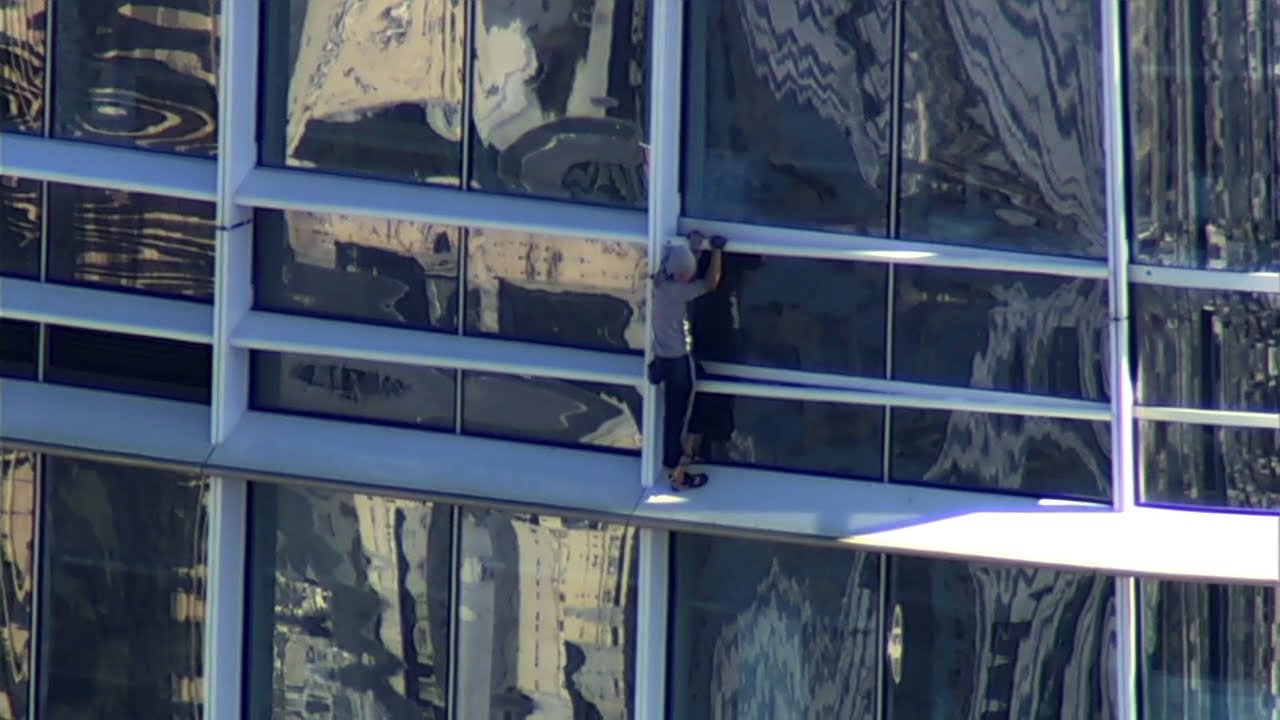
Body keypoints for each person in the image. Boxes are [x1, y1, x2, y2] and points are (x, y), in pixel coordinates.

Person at [649, 230, 726, 490]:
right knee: (680, 419)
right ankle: (677, 474)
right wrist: (716, 251)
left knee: (673, 416)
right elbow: (710, 283)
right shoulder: (677, 293)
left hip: (661, 358)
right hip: (678, 362)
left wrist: (694, 249)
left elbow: (682, 271)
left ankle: (676, 467)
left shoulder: (660, 282)